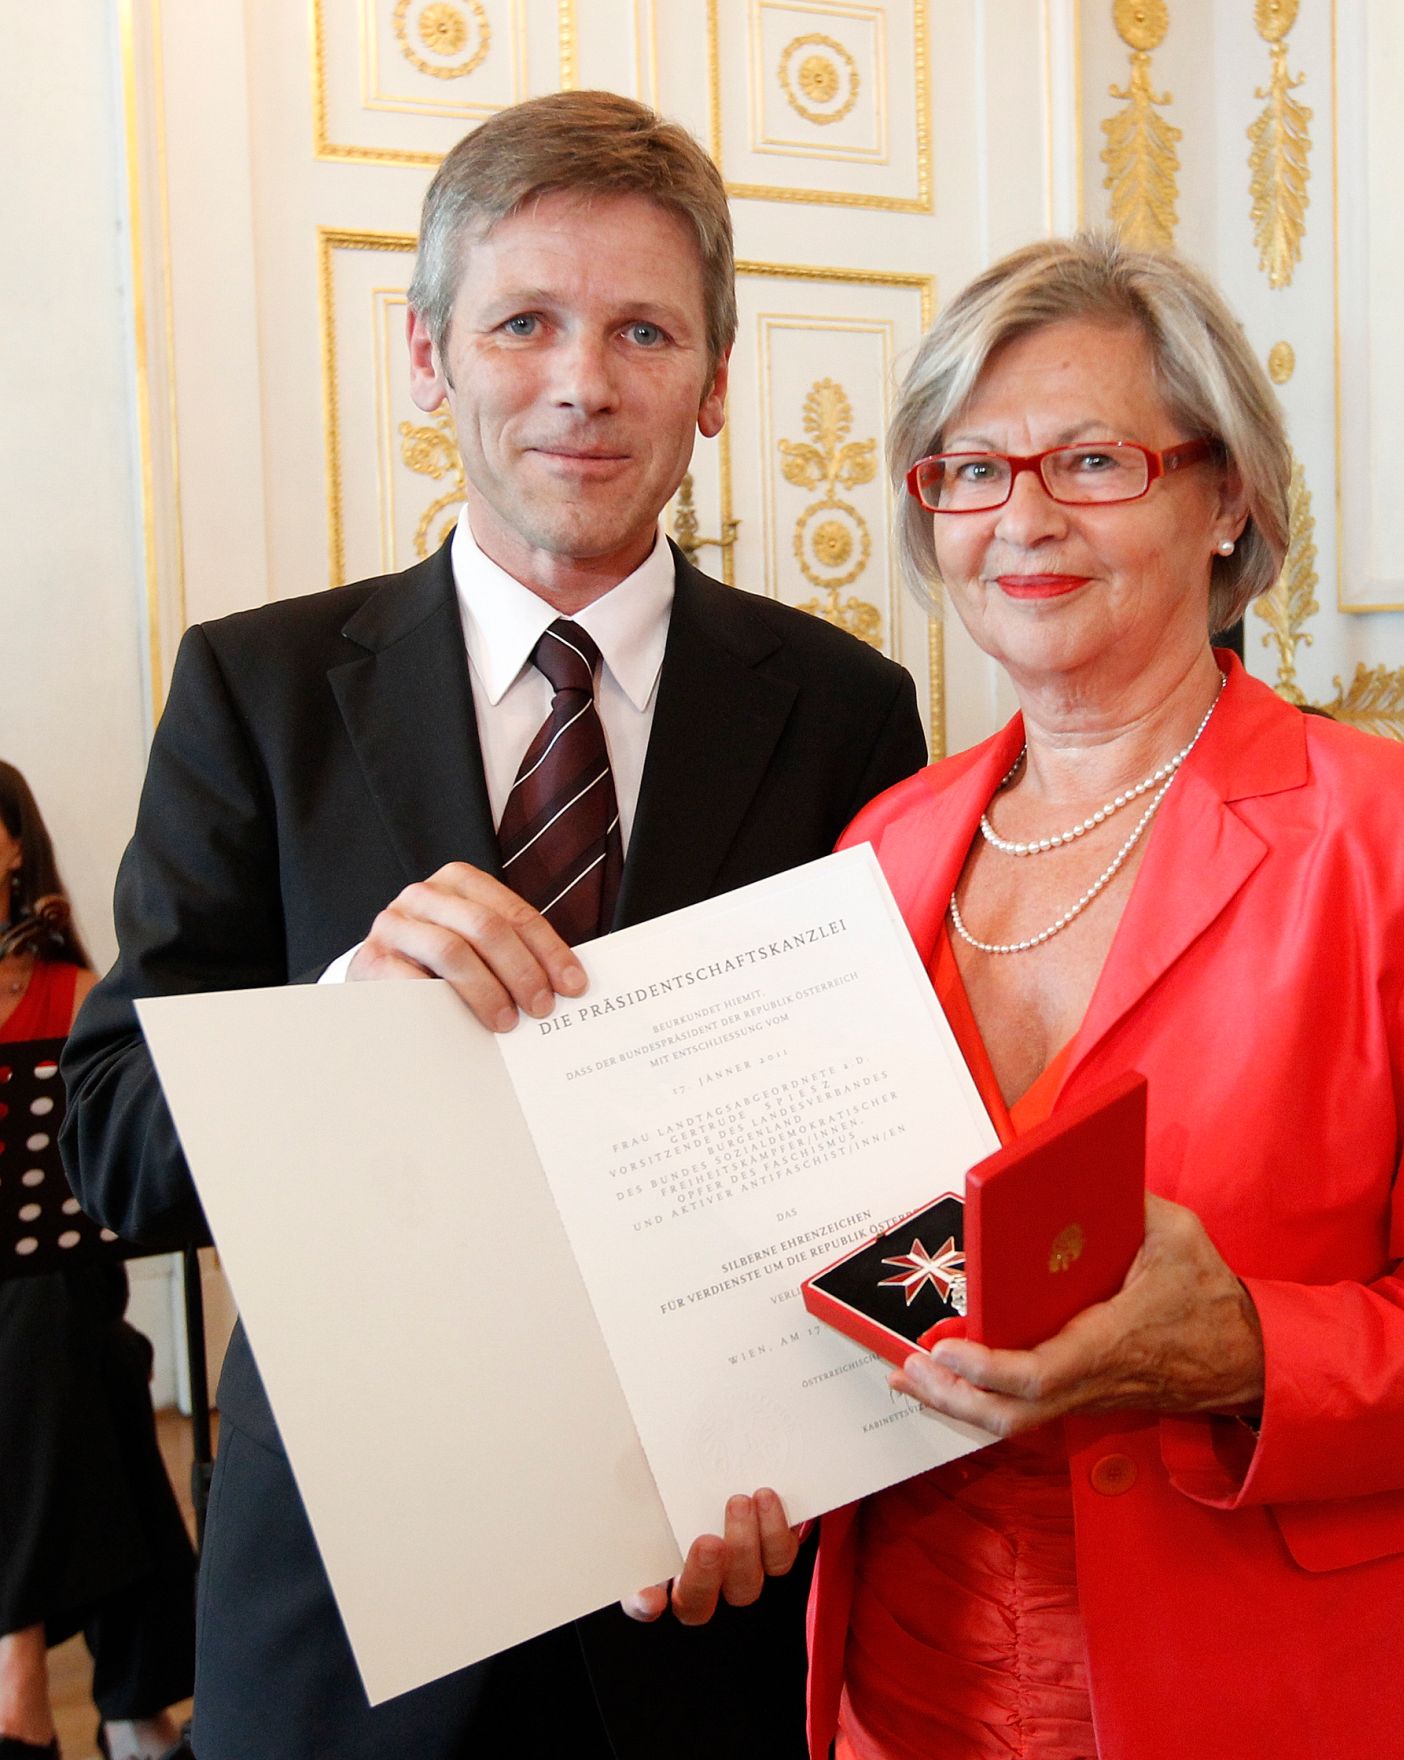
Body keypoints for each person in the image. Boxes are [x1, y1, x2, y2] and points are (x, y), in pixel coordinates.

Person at [60, 91, 925, 1760]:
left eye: (642, 330)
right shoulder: (254, 693)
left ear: (716, 382)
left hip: (708, 1602)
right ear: (426, 359)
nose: (581, 382)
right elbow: (114, 1152)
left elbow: (888, 1170)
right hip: (346, 1613)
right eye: (522, 320)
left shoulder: (842, 709)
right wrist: (339, 1024)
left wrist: (826, 1461)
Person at [802, 233, 1404, 1760]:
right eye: (967, 470)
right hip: (911, 1674)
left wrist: (1246, 1347)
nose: (1020, 518)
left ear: (1223, 493)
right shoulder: (884, 843)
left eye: (1092, 459)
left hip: (1291, 1681)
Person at [0, 761, 194, 1760]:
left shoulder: (76, 995)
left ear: (13, 847)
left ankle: (22, 1673)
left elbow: (105, 1180)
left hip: (53, 1292)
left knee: (51, 1327)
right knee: (92, 1379)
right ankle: (122, 1696)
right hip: (55, 1334)